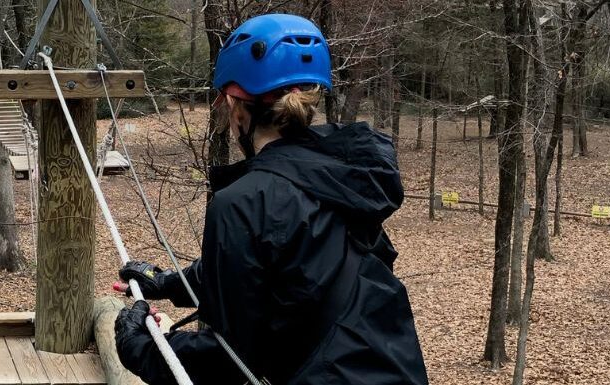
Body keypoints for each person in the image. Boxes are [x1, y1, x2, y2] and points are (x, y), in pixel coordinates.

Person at [112, 14, 429, 385]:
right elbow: (292, 267)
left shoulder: (241, 203)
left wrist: (139, 346)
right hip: (397, 367)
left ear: (236, 108)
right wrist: (166, 283)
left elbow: (228, 359)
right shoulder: (347, 175)